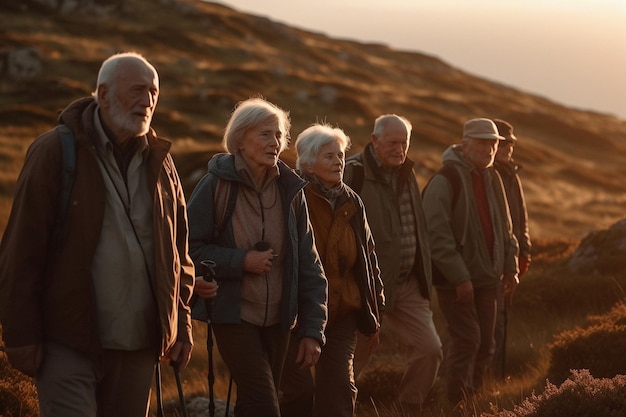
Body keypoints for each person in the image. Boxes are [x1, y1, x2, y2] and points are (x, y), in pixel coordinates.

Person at [0, 52, 196, 417]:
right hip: (69, 340)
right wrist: (21, 336)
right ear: (103, 95)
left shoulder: (161, 161)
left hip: (140, 346)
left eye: (154, 92)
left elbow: (178, 252)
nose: (148, 100)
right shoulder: (56, 152)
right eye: (137, 90)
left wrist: (180, 324)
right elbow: (21, 249)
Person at [186, 97, 328, 417]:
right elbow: (188, 249)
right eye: (265, 134)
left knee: (258, 404)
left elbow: (310, 263)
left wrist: (312, 330)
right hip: (233, 316)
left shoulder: (291, 190)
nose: (275, 142)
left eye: (278, 135)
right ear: (240, 140)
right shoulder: (216, 185)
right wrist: (241, 261)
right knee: (265, 405)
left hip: (280, 321)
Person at [280, 123, 384, 417]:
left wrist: (376, 308)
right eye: (329, 156)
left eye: (340, 155)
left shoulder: (352, 200)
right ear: (309, 162)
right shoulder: (291, 196)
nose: (339, 161)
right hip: (296, 316)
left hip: (341, 314)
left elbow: (368, 258)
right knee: (298, 394)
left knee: (338, 391)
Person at [344, 114, 442, 410]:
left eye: (405, 143)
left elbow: (418, 227)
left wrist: (424, 275)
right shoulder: (353, 173)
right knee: (356, 356)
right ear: (374, 140)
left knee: (430, 349)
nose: (400, 149)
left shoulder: (406, 171)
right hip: (368, 286)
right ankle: (337, 407)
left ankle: (408, 407)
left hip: (408, 282)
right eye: (393, 142)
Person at [422, 118, 519, 403]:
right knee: (467, 340)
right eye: (481, 143)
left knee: (486, 345)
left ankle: (473, 402)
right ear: (465, 145)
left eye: (493, 143)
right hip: (456, 283)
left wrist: (510, 268)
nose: (488, 149)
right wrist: (460, 277)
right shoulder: (446, 179)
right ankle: (456, 403)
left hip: (488, 279)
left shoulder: (493, 177)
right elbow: (436, 236)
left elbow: (506, 228)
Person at [492, 118, 532, 378]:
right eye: (504, 143)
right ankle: (477, 384)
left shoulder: (511, 175)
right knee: (489, 323)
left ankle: (494, 380)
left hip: (511, 260)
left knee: (502, 320)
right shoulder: (488, 174)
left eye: (511, 143)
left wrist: (525, 252)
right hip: (492, 261)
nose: (509, 148)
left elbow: (521, 219)